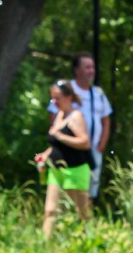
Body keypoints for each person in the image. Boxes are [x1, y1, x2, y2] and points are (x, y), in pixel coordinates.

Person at [45, 53, 112, 201]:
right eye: (87, 67)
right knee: (67, 196)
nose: (91, 71)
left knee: (90, 192)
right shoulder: (65, 90)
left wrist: (101, 145)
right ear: (77, 70)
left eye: (93, 67)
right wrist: (56, 141)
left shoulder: (98, 93)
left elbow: (106, 121)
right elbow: (53, 118)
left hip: (92, 150)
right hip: (69, 153)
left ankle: (86, 221)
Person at [35, 81, 91, 238]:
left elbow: (85, 142)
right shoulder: (59, 116)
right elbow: (57, 145)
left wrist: (60, 135)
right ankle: (45, 246)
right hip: (55, 171)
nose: (54, 102)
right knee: (51, 211)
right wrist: (45, 155)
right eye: (52, 98)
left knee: (81, 214)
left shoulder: (76, 116)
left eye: (57, 98)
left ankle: (85, 245)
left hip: (75, 171)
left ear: (68, 97)